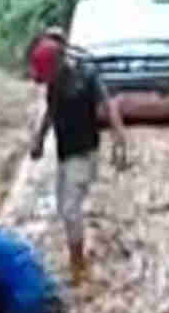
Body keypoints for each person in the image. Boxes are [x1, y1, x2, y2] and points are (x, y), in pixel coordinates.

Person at [25, 28, 130, 287]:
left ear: (59, 63)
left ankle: (79, 267)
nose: (46, 80)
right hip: (65, 154)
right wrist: (39, 139)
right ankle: (79, 255)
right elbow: (51, 112)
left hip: (84, 153)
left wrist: (120, 142)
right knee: (64, 208)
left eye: (47, 75)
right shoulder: (54, 84)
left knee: (70, 209)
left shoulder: (87, 77)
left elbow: (109, 105)